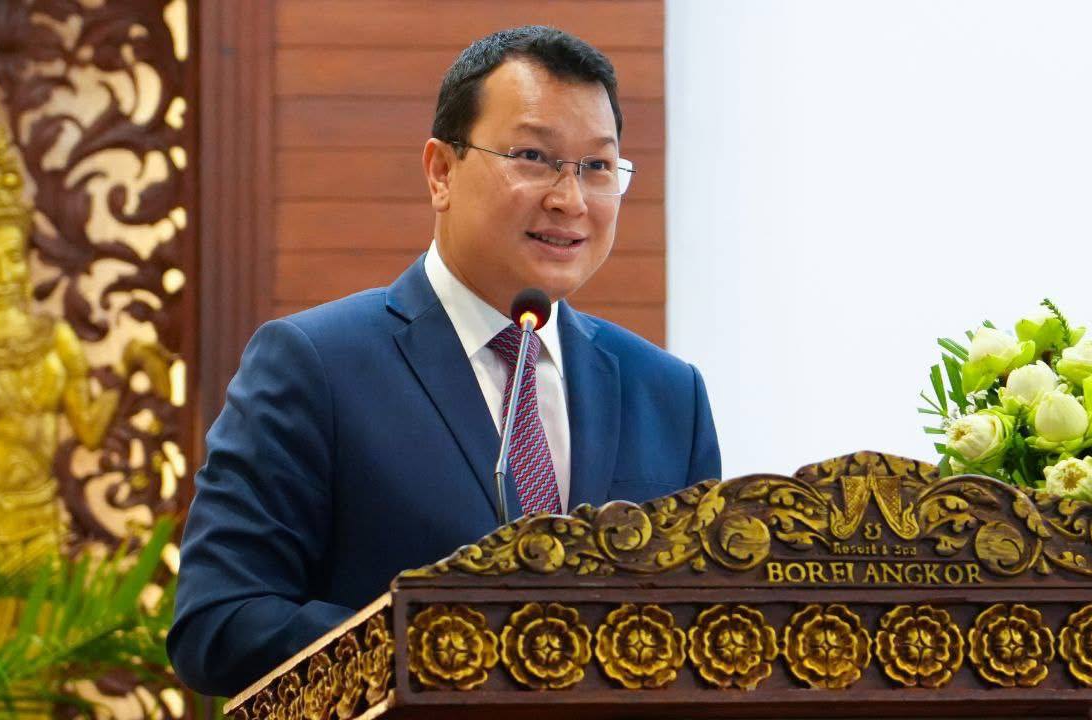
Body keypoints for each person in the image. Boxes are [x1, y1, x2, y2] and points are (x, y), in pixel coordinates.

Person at [168, 26, 721, 697]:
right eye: (533, 157)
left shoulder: (668, 394)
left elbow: (704, 636)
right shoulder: (315, 365)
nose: (570, 200)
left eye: (598, 167)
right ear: (440, 172)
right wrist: (444, 654)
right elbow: (219, 623)